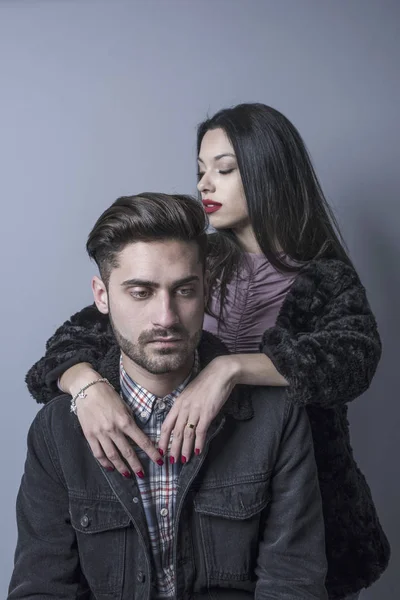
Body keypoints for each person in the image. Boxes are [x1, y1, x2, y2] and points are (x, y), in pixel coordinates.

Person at [26, 104, 390, 599]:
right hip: (191, 486)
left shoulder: (322, 277)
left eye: (224, 169)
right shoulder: (194, 263)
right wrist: (85, 386)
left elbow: (352, 359)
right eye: (200, 171)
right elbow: (79, 340)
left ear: (268, 172)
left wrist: (230, 368)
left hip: (301, 501)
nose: (206, 185)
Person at [10, 193, 328, 600]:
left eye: (183, 290)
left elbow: (293, 585)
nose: (166, 317)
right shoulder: (58, 431)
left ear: (207, 290)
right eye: (141, 292)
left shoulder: (276, 418)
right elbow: (42, 587)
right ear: (102, 296)